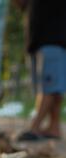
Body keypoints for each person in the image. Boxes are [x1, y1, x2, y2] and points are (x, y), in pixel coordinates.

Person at [17, 0, 66, 141]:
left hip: (53, 38)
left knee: (49, 87)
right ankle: (54, 127)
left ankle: (35, 127)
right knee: (52, 86)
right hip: (38, 38)